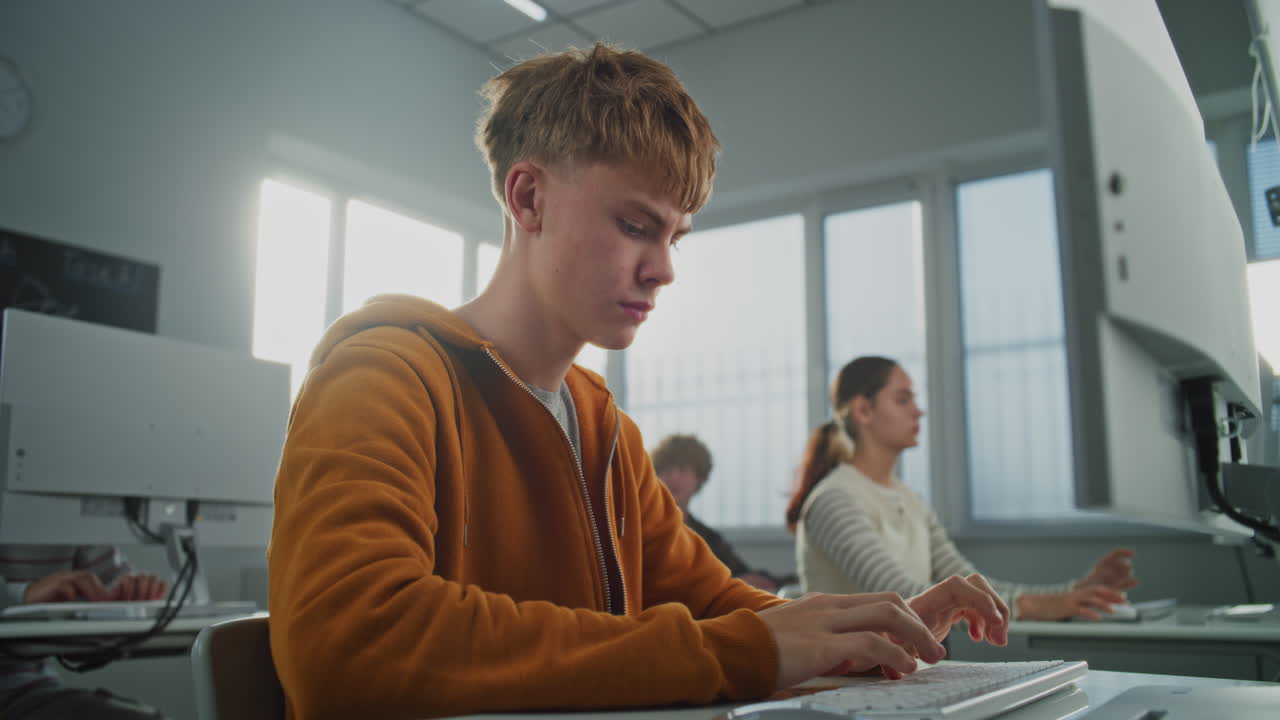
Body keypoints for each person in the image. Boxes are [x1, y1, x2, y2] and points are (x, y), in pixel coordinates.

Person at [267, 44, 1012, 720]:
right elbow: (351, 648)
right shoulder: (381, 378)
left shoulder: (608, 434)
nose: (664, 268)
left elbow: (720, 605)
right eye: (635, 226)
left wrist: (862, 633)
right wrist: (750, 651)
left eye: (674, 236)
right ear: (528, 199)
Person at [787, 356, 1138, 622]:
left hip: (903, 678)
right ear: (864, 410)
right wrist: (1044, 605)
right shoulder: (834, 500)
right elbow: (904, 598)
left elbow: (964, 582)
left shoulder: (911, 500)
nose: (919, 412)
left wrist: (1073, 592)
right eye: (903, 399)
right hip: (848, 687)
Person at [0, 544, 170, 719]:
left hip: (27, 691)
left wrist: (128, 591)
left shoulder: (65, 520)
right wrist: (22, 596)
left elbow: (110, 581)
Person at [651, 433, 793, 592]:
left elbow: (741, 572)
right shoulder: (643, 528)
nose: (674, 477)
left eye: (683, 470)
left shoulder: (707, 537)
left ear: (700, 478)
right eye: (667, 470)